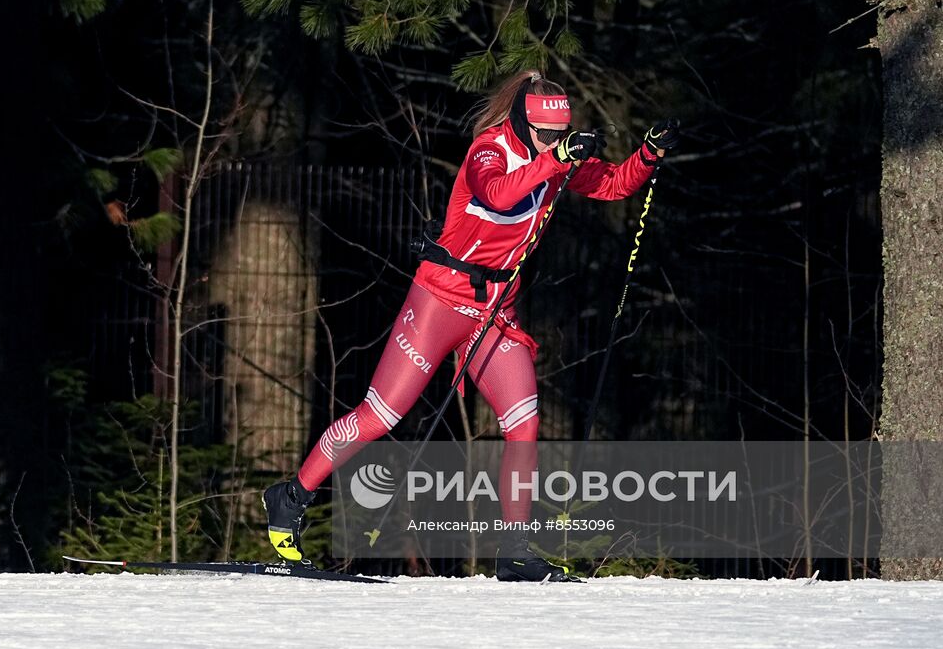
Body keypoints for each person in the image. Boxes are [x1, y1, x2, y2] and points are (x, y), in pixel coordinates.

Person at [264, 70, 679, 581]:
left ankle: (514, 551)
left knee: (524, 421)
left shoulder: (556, 158)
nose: (553, 142)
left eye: (560, 135)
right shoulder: (490, 149)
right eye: (545, 135)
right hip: (439, 300)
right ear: (525, 125)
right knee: (381, 416)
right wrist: (558, 156)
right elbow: (499, 195)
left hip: (495, 309)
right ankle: (291, 496)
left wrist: (649, 154)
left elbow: (614, 185)